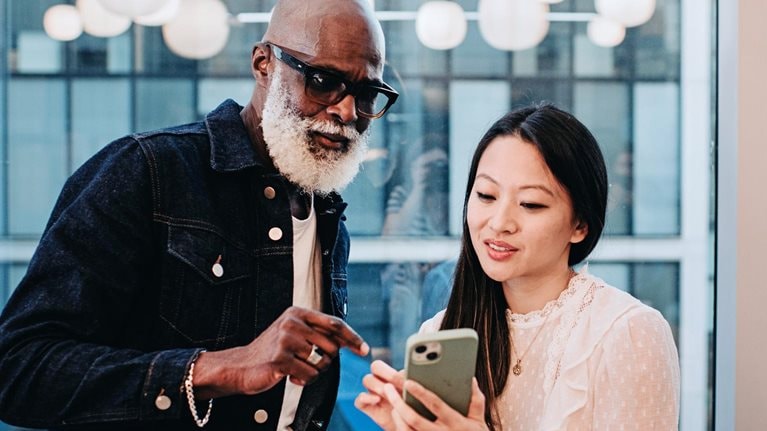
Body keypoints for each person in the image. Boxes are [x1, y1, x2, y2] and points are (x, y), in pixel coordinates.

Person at [0, 0, 399, 430]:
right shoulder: (146, 170)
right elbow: (18, 369)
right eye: (322, 81)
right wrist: (215, 370)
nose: (346, 112)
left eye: (366, 94)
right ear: (264, 63)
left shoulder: (327, 213)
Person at [355, 104, 680, 430]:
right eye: (485, 195)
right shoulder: (443, 333)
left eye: (531, 204)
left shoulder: (628, 333)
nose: (499, 223)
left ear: (579, 225)